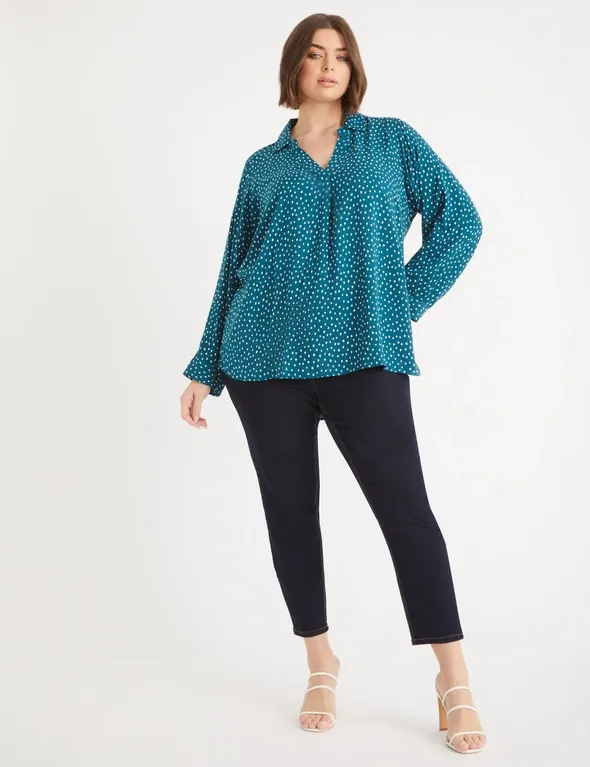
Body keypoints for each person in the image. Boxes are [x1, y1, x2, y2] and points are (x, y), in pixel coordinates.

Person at [180, 13, 486, 754]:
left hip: (365, 357)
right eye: (315, 54)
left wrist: (394, 305)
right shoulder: (263, 166)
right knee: (290, 514)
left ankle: (454, 678)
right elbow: (233, 266)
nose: (329, 65)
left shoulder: (390, 142)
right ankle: (320, 663)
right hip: (263, 363)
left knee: (406, 513)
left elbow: (461, 224)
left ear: (354, 69)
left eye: (341, 55)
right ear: (294, 67)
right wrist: (204, 367)